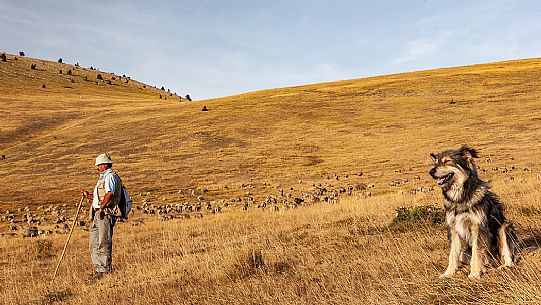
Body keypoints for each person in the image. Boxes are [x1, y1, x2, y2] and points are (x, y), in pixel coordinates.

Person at [81, 153, 123, 278]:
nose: (97, 168)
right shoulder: (103, 178)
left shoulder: (110, 177)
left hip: (105, 213)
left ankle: (104, 271)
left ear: (105, 165)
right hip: (98, 213)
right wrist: (88, 196)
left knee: (103, 241)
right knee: (93, 243)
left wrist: (102, 208)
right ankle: (99, 269)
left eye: (98, 165)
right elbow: (99, 197)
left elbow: (109, 194)